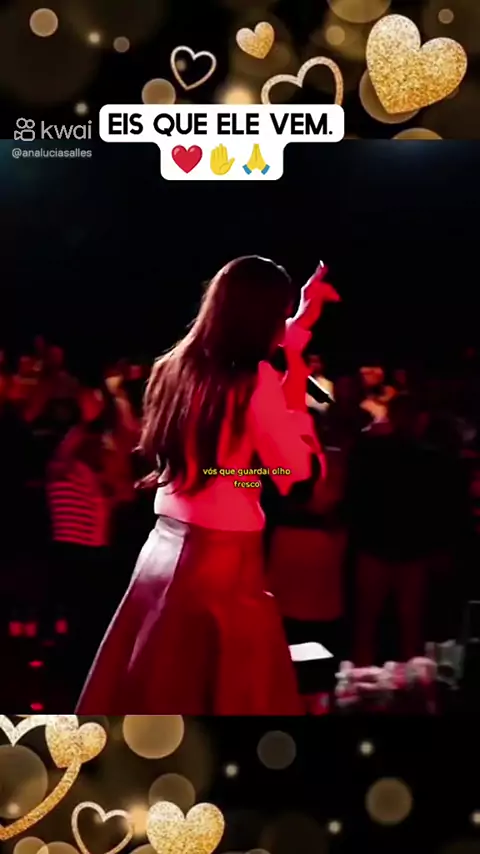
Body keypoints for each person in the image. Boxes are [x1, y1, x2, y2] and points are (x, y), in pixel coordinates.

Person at [77, 255, 339, 714]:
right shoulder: (253, 383)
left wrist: (298, 325)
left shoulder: (174, 367)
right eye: (278, 315)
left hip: (162, 551)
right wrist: (296, 394)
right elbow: (296, 475)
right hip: (221, 567)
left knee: (153, 692)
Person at [348, 393, 463, 665]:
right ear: (420, 420)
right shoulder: (433, 458)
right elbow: (442, 508)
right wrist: (440, 548)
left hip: (376, 546)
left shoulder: (370, 452)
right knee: (410, 625)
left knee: (367, 623)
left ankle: (361, 675)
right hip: (412, 550)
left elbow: (357, 497)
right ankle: (411, 680)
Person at [46, 378, 127, 703]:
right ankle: (74, 684)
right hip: (77, 554)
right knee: (82, 624)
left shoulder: (91, 477)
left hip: (92, 555)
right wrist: (87, 423)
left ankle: (83, 682)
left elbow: (122, 489)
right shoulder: (67, 470)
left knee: (90, 625)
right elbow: (62, 459)